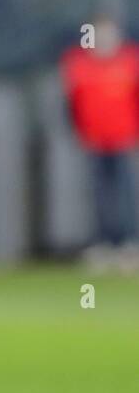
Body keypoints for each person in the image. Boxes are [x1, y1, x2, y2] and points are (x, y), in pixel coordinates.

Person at [60, 16, 139, 255]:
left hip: (124, 140)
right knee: (99, 196)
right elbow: (71, 103)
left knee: (127, 193)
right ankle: (104, 243)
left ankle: (130, 242)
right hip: (94, 141)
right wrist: (78, 132)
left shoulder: (131, 61)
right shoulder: (78, 64)